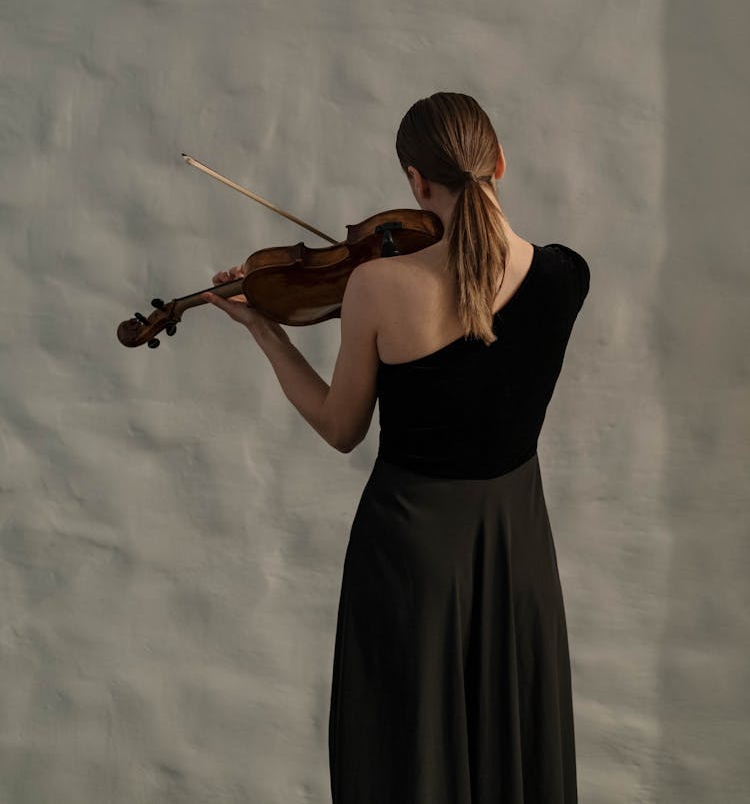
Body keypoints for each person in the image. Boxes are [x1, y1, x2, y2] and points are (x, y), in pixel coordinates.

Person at [203, 91, 590, 803]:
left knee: (407, 756)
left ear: (416, 182)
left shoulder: (377, 287)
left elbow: (340, 426)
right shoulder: (568, 277)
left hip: (411, 558)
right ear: (500, 161)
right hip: (517, 551)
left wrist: (267, 332)